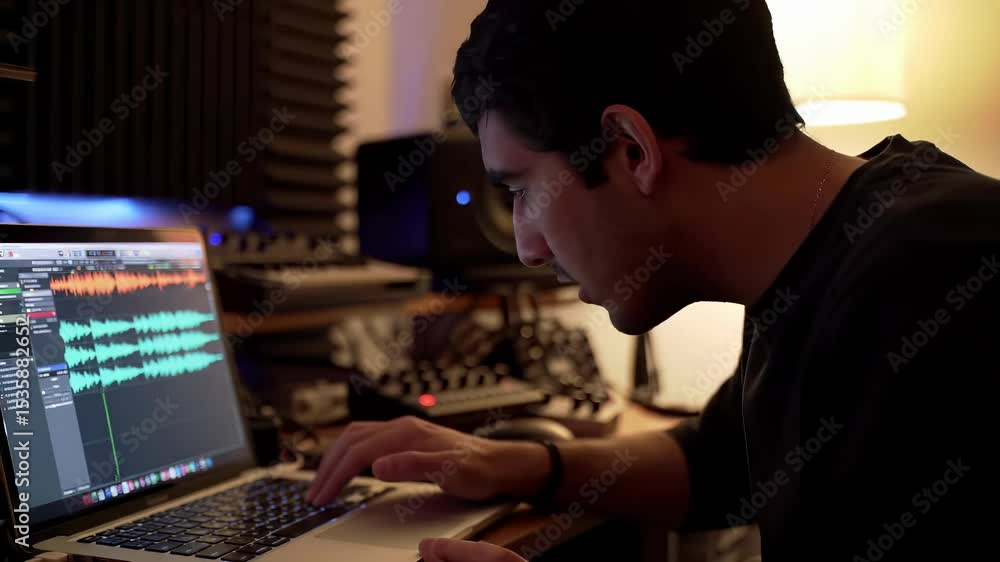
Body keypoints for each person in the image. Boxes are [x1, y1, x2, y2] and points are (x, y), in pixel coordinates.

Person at [308, 1, 998, 560]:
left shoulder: (939, 271)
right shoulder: (821, 252)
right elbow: (720, 464)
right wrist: (516, 464)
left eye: (521, 191)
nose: (527, 248)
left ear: (632, 150)